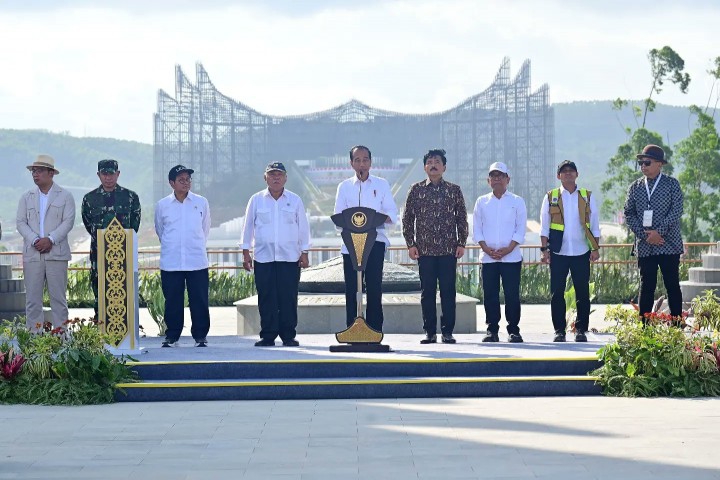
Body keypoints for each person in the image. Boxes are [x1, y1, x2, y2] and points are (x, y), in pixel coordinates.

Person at [241, 162, 311, 347]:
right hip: (264, 257)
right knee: (266, 297)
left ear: (286, 178)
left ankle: (288, 335)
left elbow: (303, 227)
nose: (276, 178)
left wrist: (305, 251)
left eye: (279, 174)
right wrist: (245, 252)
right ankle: (268, 334)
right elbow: (247, 226)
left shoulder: (295, 200)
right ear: (265, 178)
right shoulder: (256, 200)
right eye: (272, 175)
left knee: (288, 297)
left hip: (289, 257)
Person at [402, 149, 468, 344]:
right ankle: (429, 332)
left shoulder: (454, 190)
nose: (433, 164)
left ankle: (447, 331)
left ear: (444, 167)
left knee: (448, 291)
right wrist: (410, 244)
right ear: (424, 167)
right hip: (425, 250)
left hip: (448, 250)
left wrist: (461, 242)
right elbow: (407, 218)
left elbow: (462, 218)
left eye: (437, 161)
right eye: (429, 162)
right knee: (427, 293)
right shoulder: (416, 189)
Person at [334, 145, 398, 332]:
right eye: (357, 160)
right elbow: (338, 217)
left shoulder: (382, 184)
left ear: (370, 162)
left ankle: (375, 329)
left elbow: (391, 213)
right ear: (351, 163)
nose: (361, 164)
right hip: (350, 245)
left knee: (374, 287)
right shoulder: (344, 187)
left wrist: (378, 217)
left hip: (375, 242)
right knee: (352, 289)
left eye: (365, 160)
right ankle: (351, 329)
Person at [540, 160, 601, 342]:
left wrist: (595, 249)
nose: (568, 174)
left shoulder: (586, 196)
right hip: (558, 252)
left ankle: (581, 329)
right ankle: (559, 330)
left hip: (581, 251)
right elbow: (544, 227)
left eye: (571, 171)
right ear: (558, 176)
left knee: (582, 292)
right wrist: (544, 250)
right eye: (564, 171)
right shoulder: (551, 196)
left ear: (577, 174)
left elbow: (595, 225)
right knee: (557, 293)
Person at [624, 144, 684, 322]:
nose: (643, 166)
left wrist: (659, 233)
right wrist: (646, 235)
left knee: (672, 285)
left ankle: (677, 326)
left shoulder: (672, 184)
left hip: (669, 244)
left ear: (659, 164)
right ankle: (645, 327)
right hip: (645, 245)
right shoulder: (635, 187)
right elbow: (629, 213)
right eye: (641, 162)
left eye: (647, 162)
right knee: (646, 286)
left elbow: (677, 210)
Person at [16, 155, 75, 329]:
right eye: (33, 171)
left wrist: (50, 239)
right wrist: (35, 240)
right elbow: (20, 222)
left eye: (39, 170)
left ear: (51, 173)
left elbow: (68, 222)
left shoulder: (65, 196)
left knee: (58, 299)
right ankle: (35, 342)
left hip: (56, 254)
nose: (35, 174)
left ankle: (62, 341)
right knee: (33, 301)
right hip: (33, 254)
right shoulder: (26, 197)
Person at [154, 165, 211, 347]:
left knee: (199, 299)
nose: (186, 183)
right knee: (172, 300)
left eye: (188, 179)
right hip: (171, 261)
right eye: (181, 180)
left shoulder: (201, 202)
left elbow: (205, 228)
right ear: (171, 183)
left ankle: (200, 336)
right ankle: (172, 335)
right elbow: (160, 230)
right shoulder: (162, 205)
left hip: (196, 260)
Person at [472, 162, 527, 343]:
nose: (497, 179)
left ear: (507, 179)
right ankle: (492, 330)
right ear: (488, 181)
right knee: (490, 295)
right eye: (493, 176)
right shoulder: (482, 201)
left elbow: (520, 229)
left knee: (512, 295)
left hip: (511, 257)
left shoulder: (517, 201)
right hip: (488, 258)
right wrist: (486, 248)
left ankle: (513, 330)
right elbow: (477, 229)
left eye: (500, 175)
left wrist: (509, 248)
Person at [81, 159, 141, 318]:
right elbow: (89, 225)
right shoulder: (90, 199)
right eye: (104, 174)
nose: (108, 178)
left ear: (118, 174)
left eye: (112, 174)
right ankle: (100, 327)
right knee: (99, 289)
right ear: (98, 175)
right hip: (98, 253)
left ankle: (126, 331)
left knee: (125, 289)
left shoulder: (130, 197)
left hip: (123, 253)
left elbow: (134, 225)